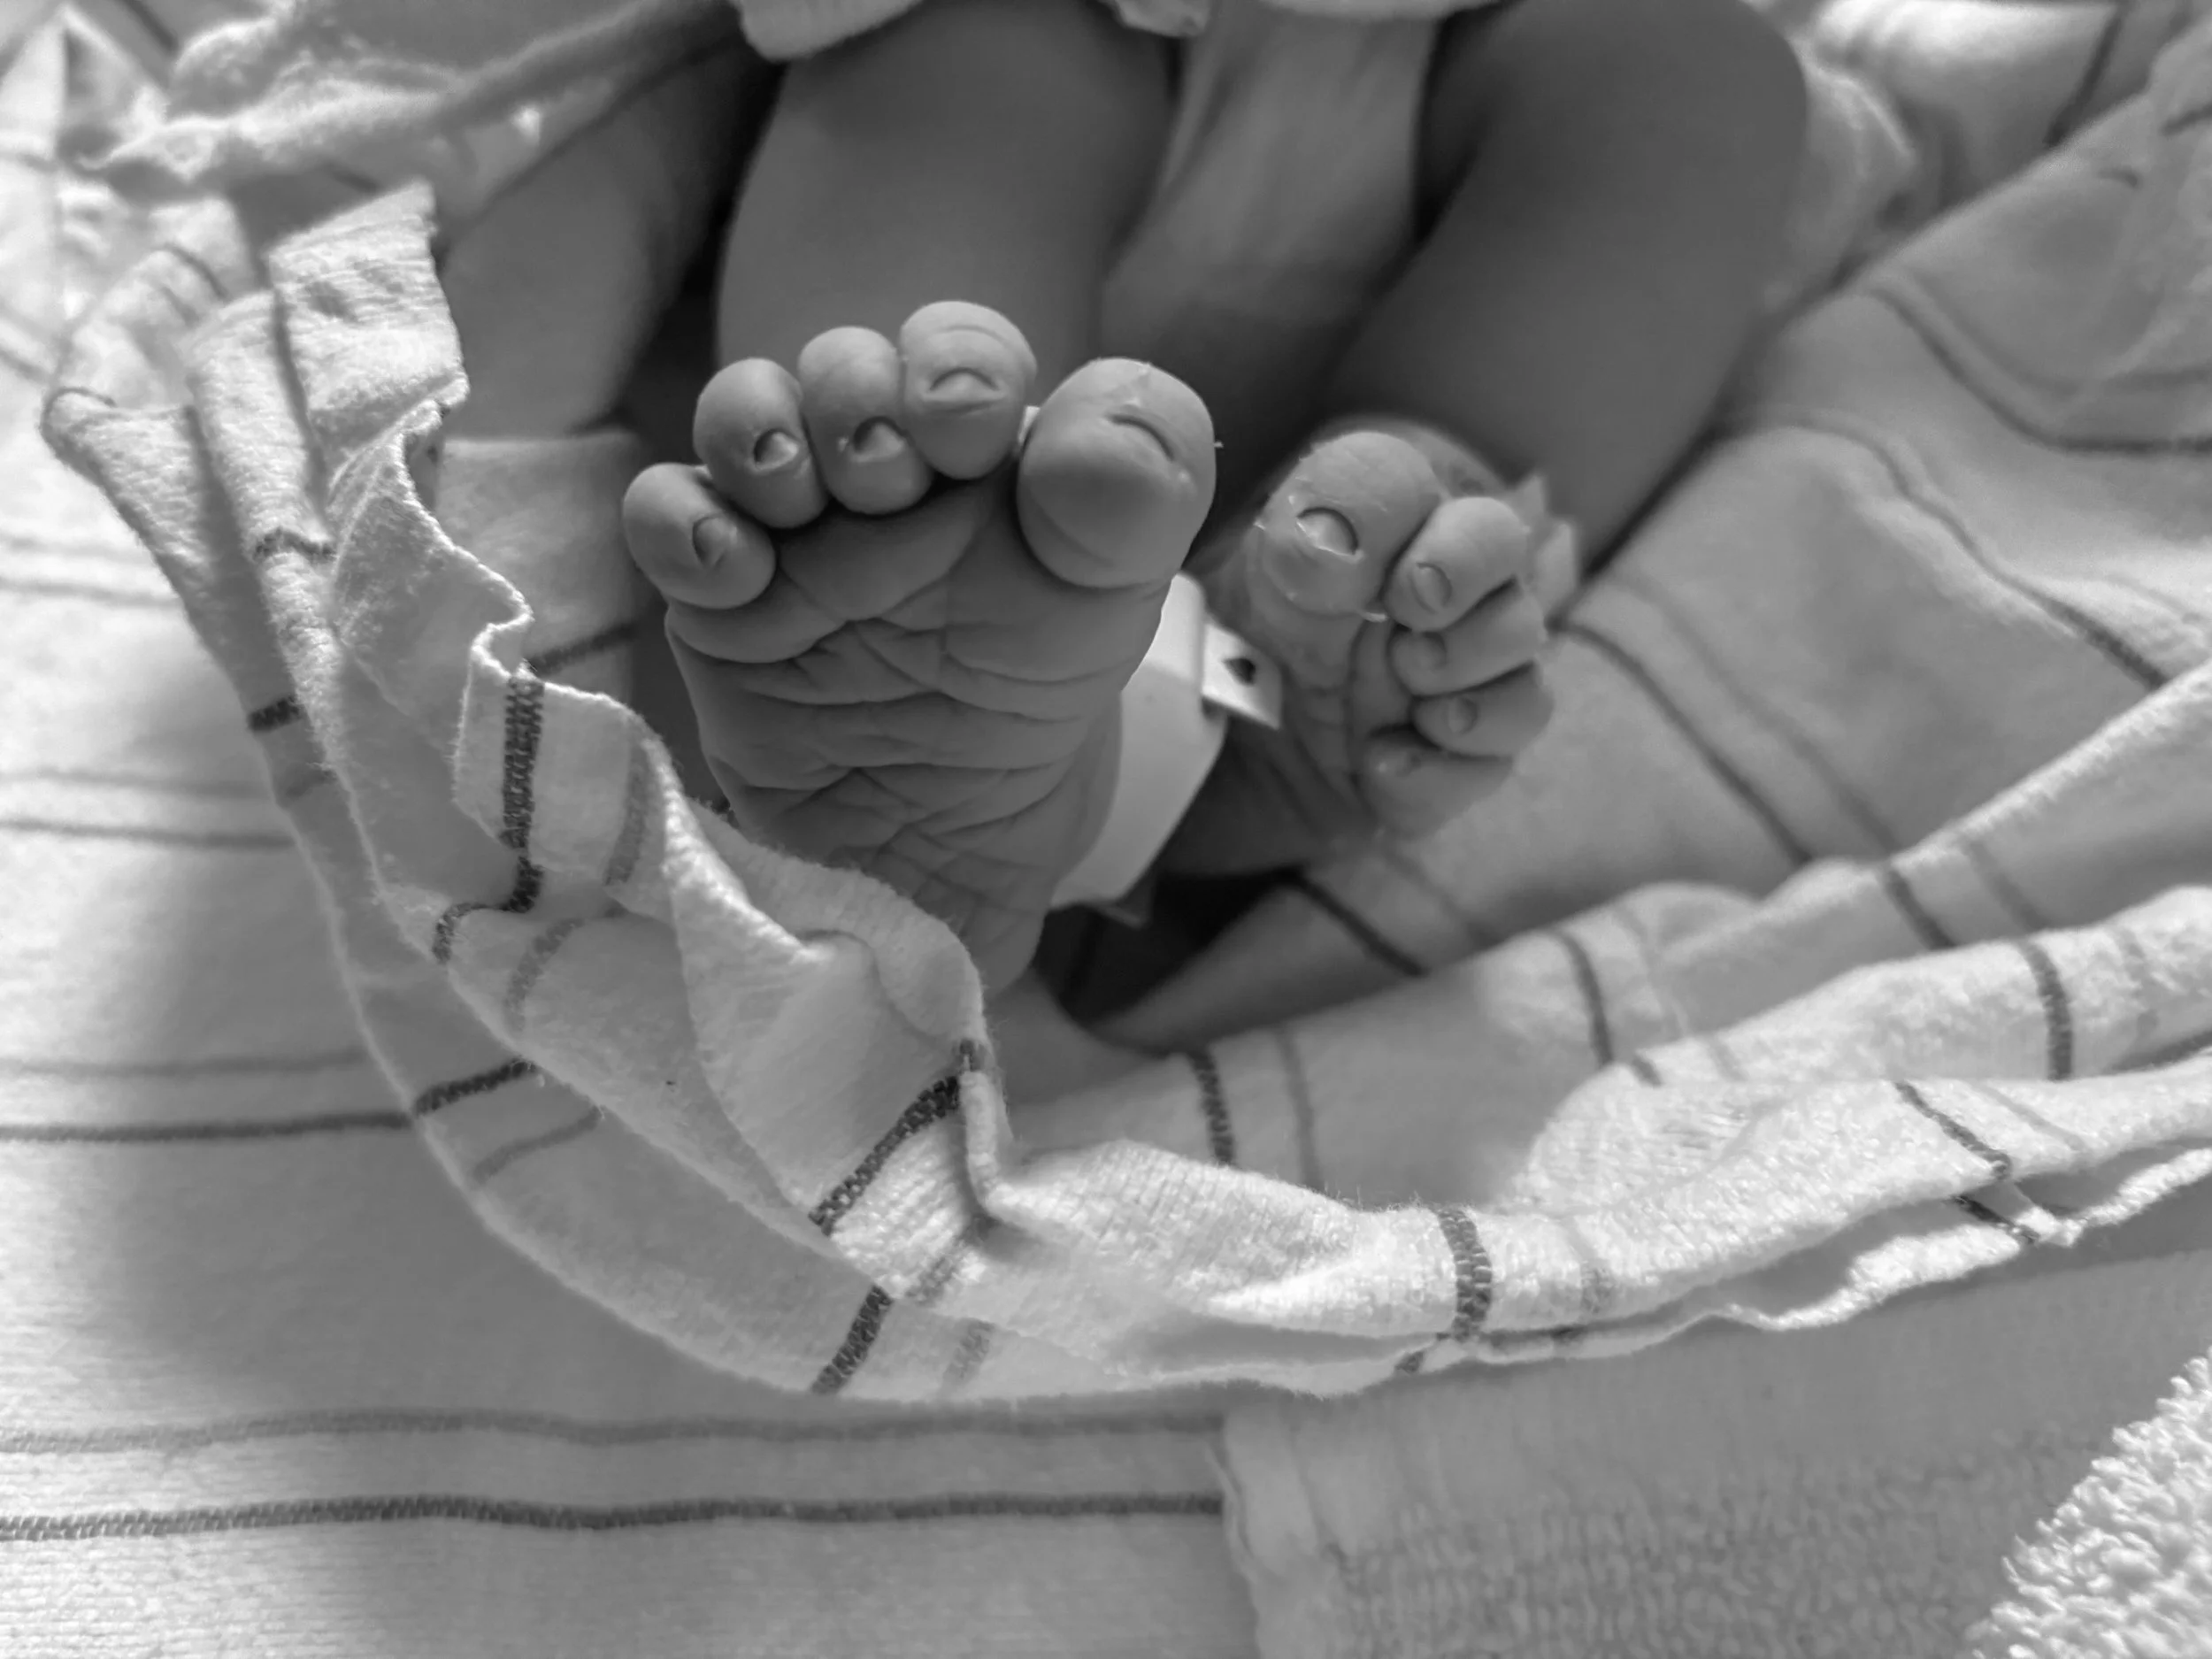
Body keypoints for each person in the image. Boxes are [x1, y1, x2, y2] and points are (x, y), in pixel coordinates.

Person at [618, 0, 1809, 994]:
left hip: (1490, 76)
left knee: (1693, 78)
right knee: (963, 70)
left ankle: (1267, 663)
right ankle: (954, 581)